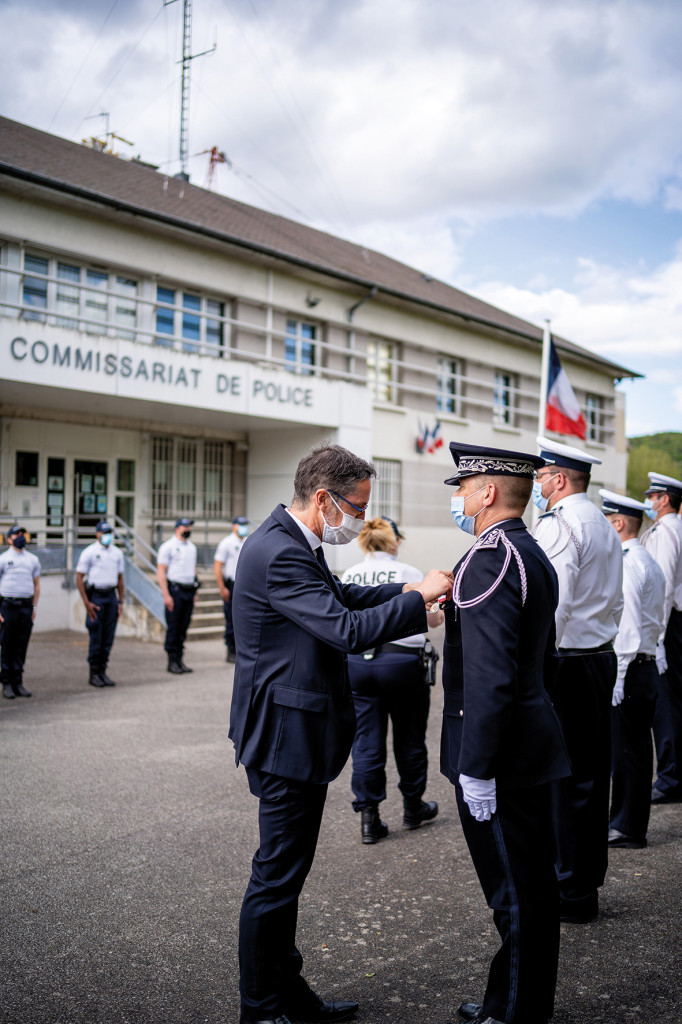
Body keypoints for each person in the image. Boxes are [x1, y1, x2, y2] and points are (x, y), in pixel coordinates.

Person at [229, 443, 453, 1024]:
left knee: (288, 871)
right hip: (284, 735)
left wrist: (408, 597)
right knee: (276, 876)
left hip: (296, 729)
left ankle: (289, 995)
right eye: (357, 506)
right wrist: (416, 598)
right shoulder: (279, 550)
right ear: (324, 498)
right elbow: (346, 628)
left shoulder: (294, 540)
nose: (358, 518)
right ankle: (260, 1007)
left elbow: (345, 596)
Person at [440, 442, 570, 1024]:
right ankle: (514, 1000)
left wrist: (477, 766)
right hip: (531, 742)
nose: (459, 498)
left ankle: (515, 1012)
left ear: (488, 492)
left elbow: (489, 677)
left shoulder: (489, 559)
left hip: (503, 755)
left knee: (516, 895)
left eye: (464, 489)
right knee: (531, 887)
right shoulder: (530, 551)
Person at [531, 435, 623, 924]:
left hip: (566, 660)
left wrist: (538, 663)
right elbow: (617, 599)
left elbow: (555, 602)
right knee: (589, 776)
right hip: (597, 656)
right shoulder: (604, 525)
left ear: (560, 479)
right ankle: (583, 884)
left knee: (562, 778)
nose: (538, 485)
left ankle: (568, 887)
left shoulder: (562, 524)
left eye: (542, 476)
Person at [341, 517, 442, 843]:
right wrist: (439, 613)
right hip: (402, 664)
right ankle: (414, 807)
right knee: (410, 738)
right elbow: (431, 619)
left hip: (359, 664)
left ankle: (369, 818)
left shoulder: (351, 574)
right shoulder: (409, 573)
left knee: (366, 741)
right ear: (394, 542)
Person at [599, 490, 666, 849]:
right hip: (647, 662)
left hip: (630, 666)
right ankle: (630, 822)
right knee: (637, 750)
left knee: (626, 752)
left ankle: (625, 825)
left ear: (620, 524)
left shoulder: (626, 563)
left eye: (608, 523)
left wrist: (618, 678)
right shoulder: (648, 561)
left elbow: (627, 626)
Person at [641, 471, 682, 804]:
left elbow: (665, 586)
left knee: (666, 703)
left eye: (652, 497)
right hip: (671, 624)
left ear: (664, 499)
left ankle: (671, 778)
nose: (649, 502)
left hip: (669, 625)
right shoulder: (670, 528)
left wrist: (658, 634)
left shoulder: (667, 531)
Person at [75, 521, 125, 688]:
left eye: (109, 532)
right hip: (96, 596)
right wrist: (86, 602)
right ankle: (94, 673)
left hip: (111, 596)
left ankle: (103, 672)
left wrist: (120, 601)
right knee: (96, 636)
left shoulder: (117, 553)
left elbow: (120, 580)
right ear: (97, 534)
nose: (107, 536)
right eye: (104, 533)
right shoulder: (89, 552)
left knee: (108, 637)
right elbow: (79, 578)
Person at [0, 525, 40, 699]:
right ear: (9, 539)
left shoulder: (32, 559)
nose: (21, 537)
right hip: (8, 606)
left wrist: (34, 607)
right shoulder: (3, 559)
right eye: (17, 534)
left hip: (26, 607)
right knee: (7, 645)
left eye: (23, 534)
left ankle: (18, 682)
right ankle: (7, 684)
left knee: (21, 646)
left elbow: (37, 585)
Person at [157, 517, 198, 674]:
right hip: (175, 590)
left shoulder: (192, 547)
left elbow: (193, 570)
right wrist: (166, 595)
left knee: (183, 626)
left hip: (188, 590)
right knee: (174, 626)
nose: (188, 529)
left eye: (189, 527)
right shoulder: (168, 547)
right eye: (185, 526)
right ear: (177, 528)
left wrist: (195, 590)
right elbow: (161, 572)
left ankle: (180, 659)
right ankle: (172, 660)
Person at [213, 516, 249, 663]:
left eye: (244, 524)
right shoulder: (226, 543)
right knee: (231, 619)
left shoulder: (248, 540)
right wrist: (222, 588)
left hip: (245, 583)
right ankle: (231, 649)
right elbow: (217, 566)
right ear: (233, 526)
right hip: (231, 583)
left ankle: (241, 650)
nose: (243, 527)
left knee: (244, 619)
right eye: (240, 524)